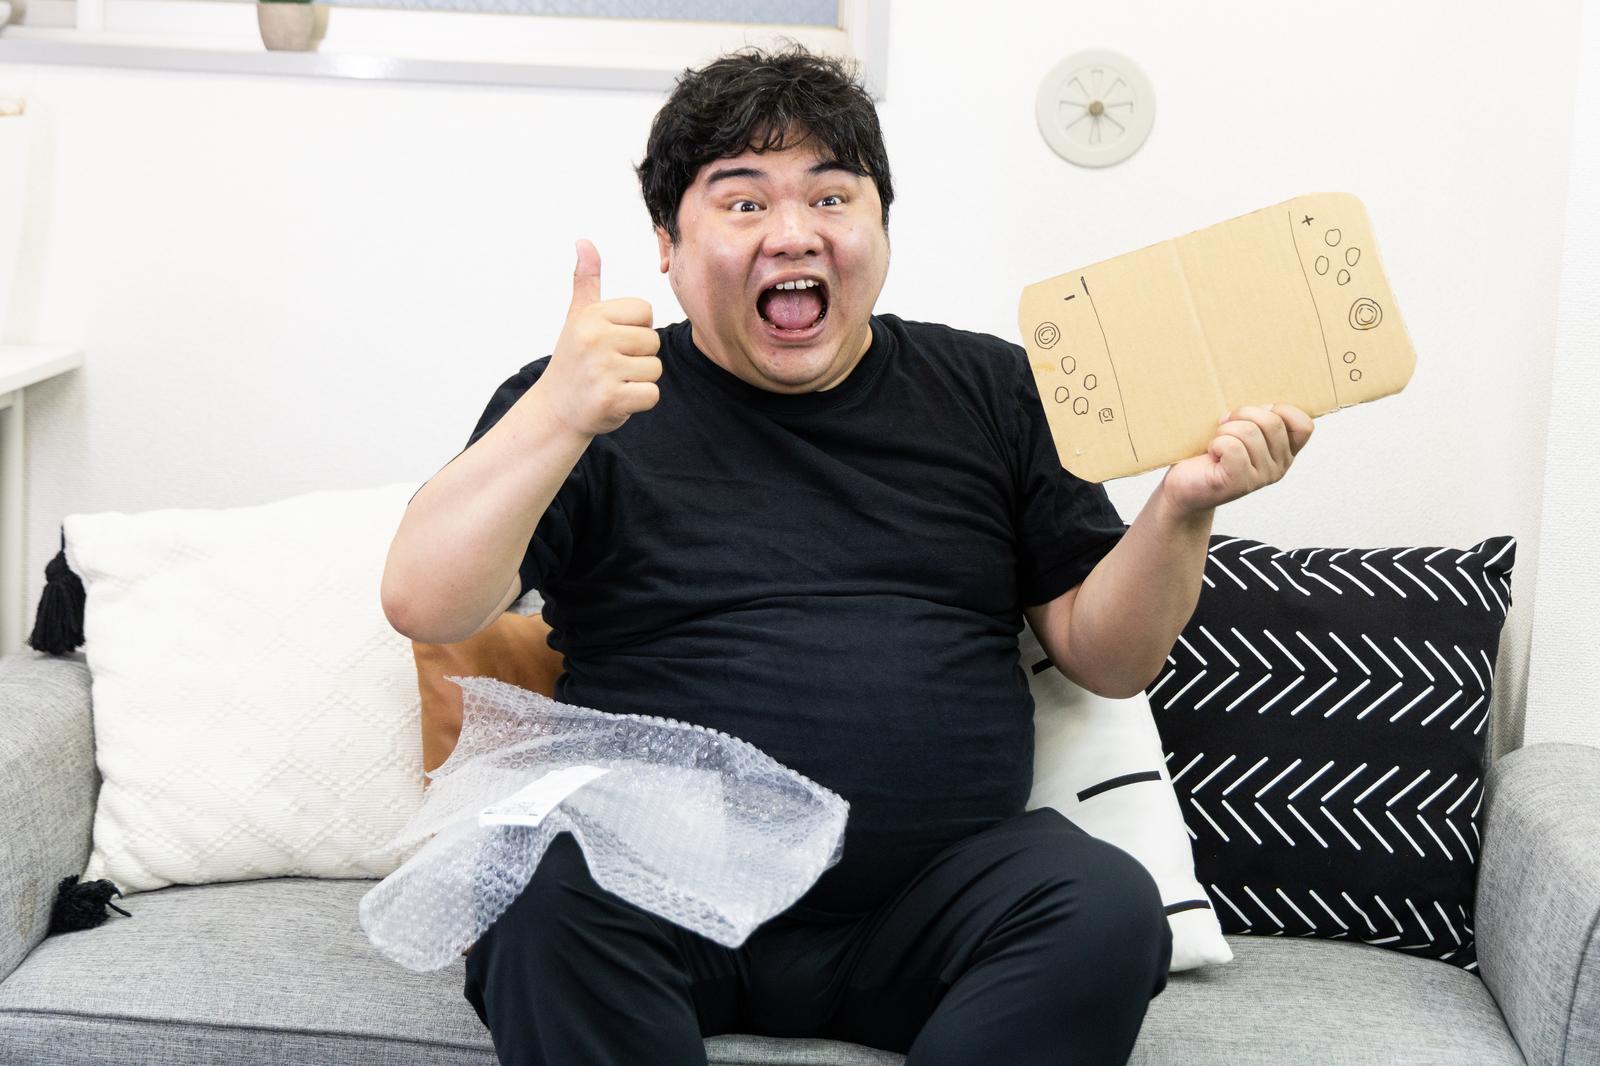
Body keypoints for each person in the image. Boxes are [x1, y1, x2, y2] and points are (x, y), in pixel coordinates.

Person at [382, 43, 1313, 1066]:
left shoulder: (992, 391)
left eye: (831, 197)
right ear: (668, 243)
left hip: (932, 899)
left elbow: (1108, 656)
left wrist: (1181, 508)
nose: (794, 233)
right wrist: (555, 416)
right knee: (540, 896)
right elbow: (425, 601)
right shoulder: (590, 399)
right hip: (661, 882)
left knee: (1101, 903)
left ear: (877, 225)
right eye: (743, 203)